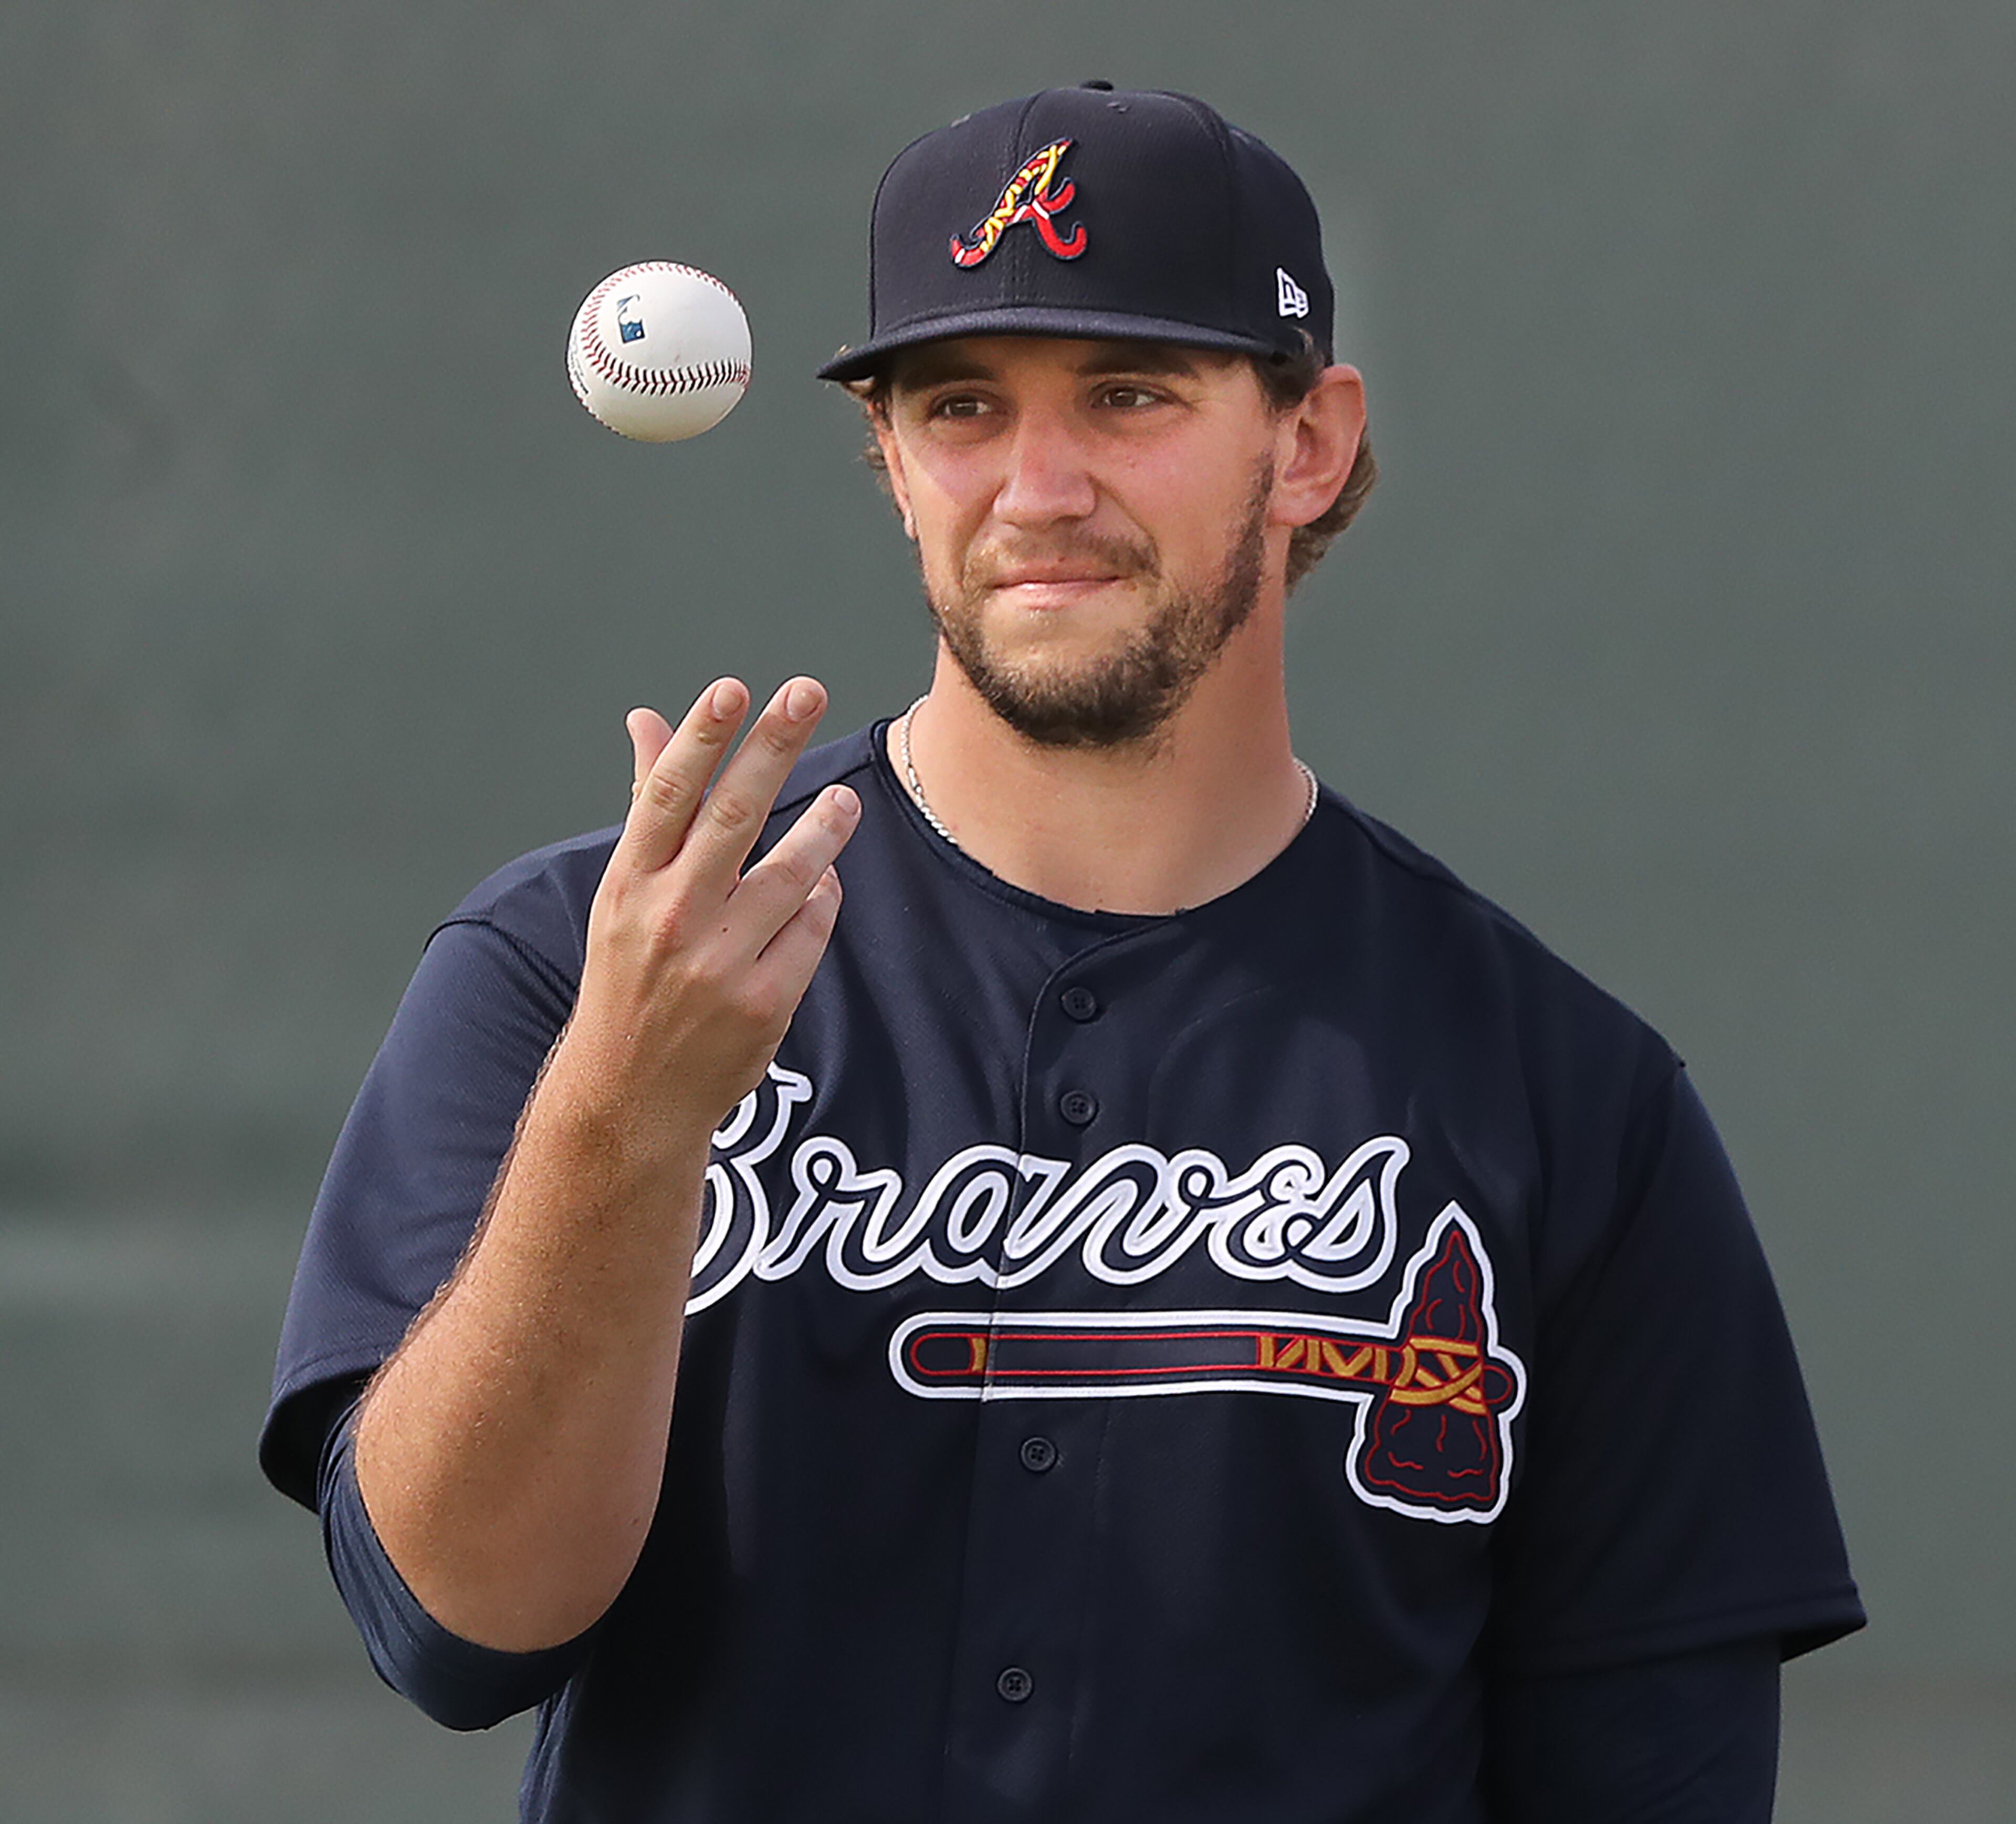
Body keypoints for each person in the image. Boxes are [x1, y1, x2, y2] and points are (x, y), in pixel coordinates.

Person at [262, 83, 1863, 1821]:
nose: (1040, 486)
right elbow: (450, 1629)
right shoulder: (581, 967)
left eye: (1130, 395)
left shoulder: (1567, 1098)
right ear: (888, 461)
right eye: (961, 406)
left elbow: (1655, 1769)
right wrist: (622, 1121)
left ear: (1309, 443)